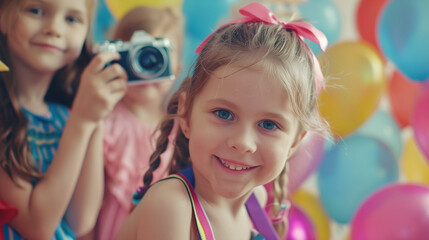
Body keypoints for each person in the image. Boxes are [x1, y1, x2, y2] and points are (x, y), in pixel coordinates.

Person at [116, 2, 330, 240]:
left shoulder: (255, 200)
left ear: (294, 142)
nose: (242, 142)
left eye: (268, 124)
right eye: (224, 114)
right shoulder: (171, 206)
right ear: (186, 115)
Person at [0, 0, 128, 239]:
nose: (54, 29)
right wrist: (82, 120)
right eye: (36, 11)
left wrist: (94, 115)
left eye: (72, 19)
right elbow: (37, 227)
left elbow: (81, 221)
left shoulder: (67, 115)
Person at [90, 6, 184, 240]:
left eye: (156, 55)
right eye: (136, 55)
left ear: (177, 69)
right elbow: (87, 204)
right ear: (116, 58)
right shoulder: (104, 123)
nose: (146, 67)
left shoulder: (181, 126)